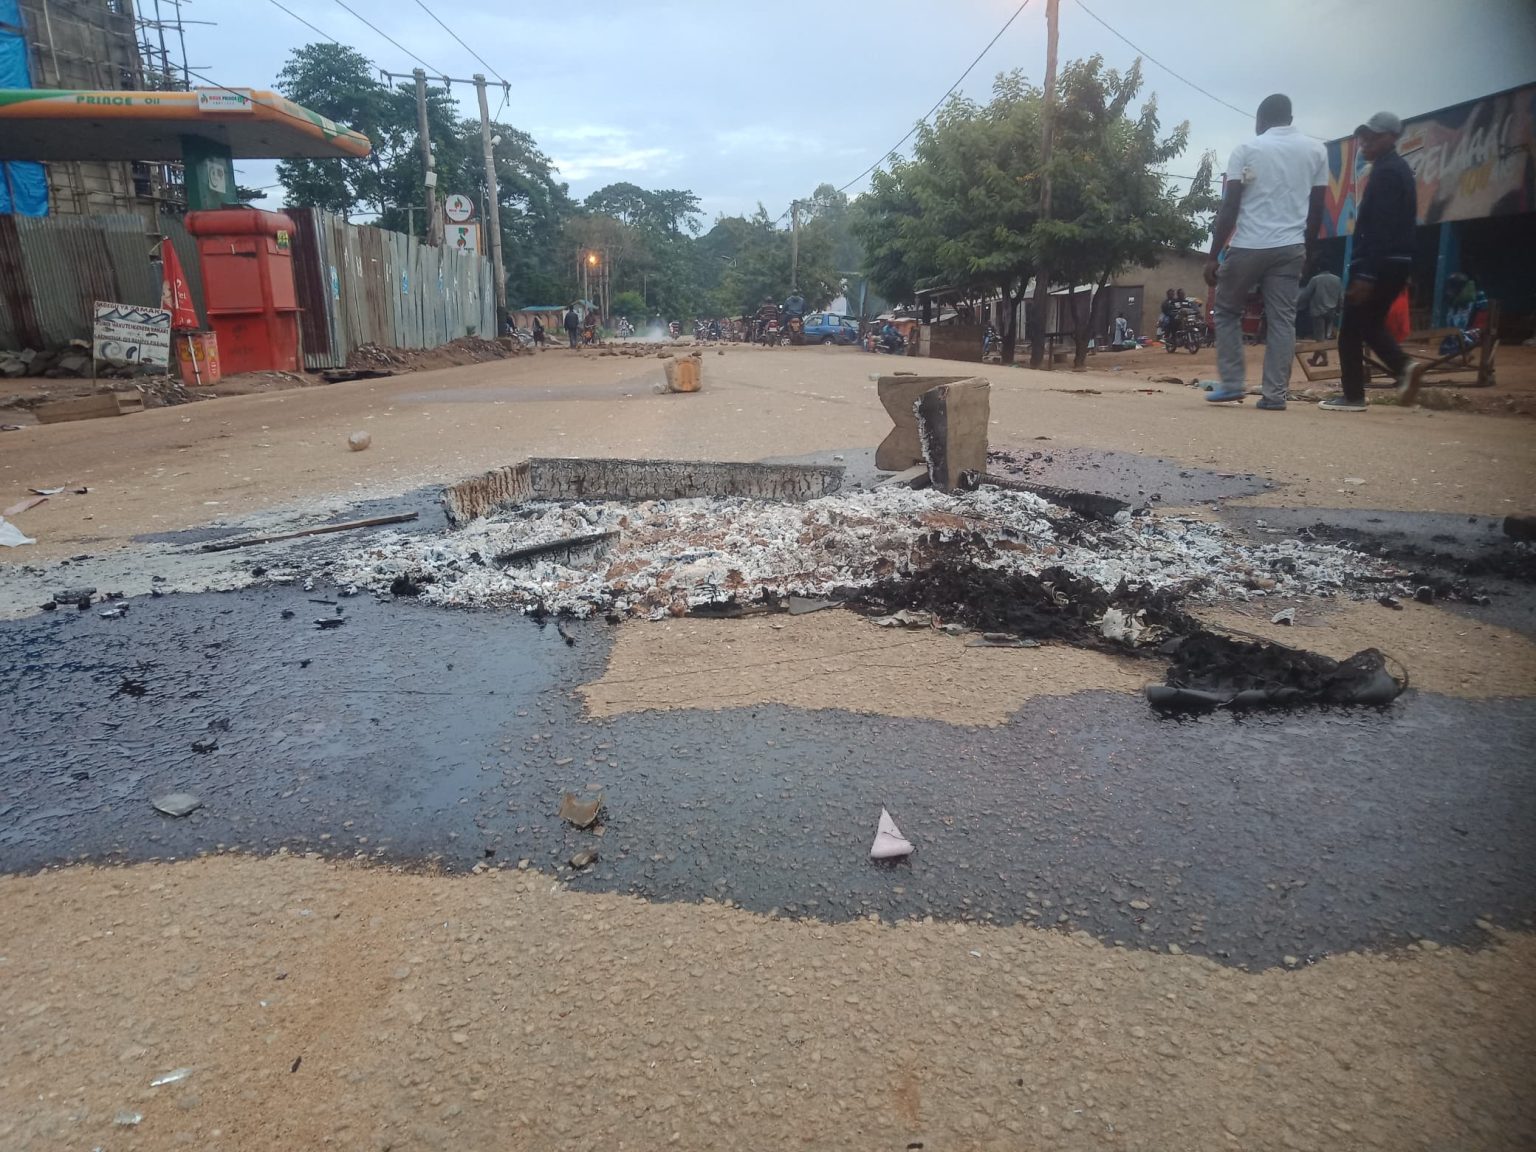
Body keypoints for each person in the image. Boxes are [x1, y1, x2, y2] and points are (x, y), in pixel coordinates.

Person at [1203, 94, 1329, 410]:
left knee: (1227, 310)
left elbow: (1230, 206)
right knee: (1282, 319)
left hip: (1248, 245)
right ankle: (1275, 395)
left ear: (1261, 119)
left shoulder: (1247, 149)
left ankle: (1232, 384)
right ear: (1290, 116)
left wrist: (1213, 254)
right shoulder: (1316, 150)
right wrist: (1309, 251)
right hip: (1290, 247)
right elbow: (1317, 210)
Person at [1322, 112, 1426, 412]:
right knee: (1368, 324)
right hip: (1393, 261)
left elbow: (1380, 226)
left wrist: (1367, 274)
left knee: (1352, 330)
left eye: (1373, 137)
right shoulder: (1396, 170)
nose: (1365, 142)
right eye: (1363, 136)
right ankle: (1401, 368)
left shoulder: (1387, 173)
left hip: (1378, 263)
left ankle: (1356, 394)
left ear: (1392, 137)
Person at [1298, 269, 1343, 342]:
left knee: (1319, 337)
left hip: (1318, 311)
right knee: (1326, 336)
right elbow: (1341, 296)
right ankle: (1319, 352)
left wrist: (1298, 305)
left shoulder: (1315, 279)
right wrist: (1339, 310)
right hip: (1332, 311)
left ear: (1319, 269)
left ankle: (1322, 352)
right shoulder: (1337, 279)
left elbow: (1306, 294)